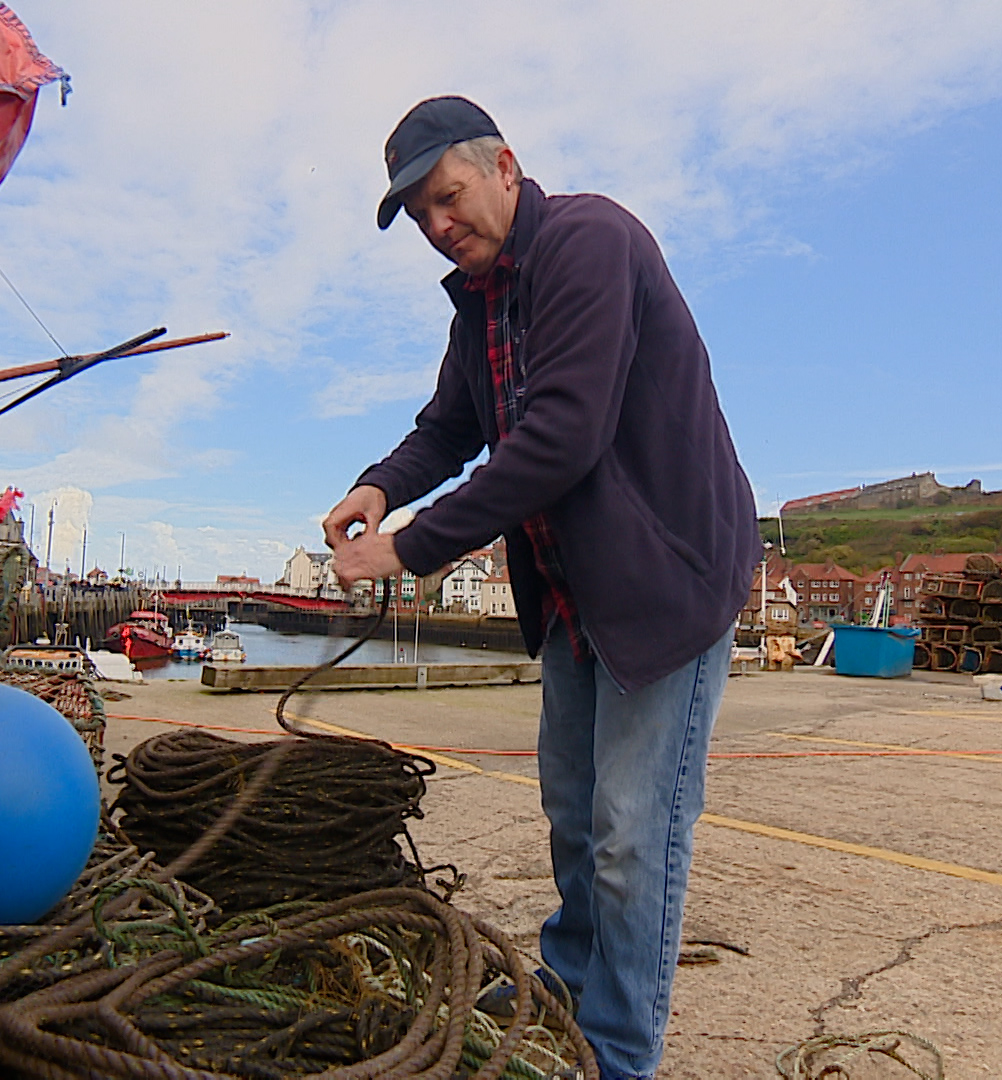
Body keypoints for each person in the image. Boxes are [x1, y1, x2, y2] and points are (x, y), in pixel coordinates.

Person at [324, 96, 757, 1079]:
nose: (440, 224)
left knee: (632, 837)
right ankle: (567, 985)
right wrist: (379, 487)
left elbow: (562, 435)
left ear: (505, 167)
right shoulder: (478, 297)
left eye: (449, 196)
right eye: (422, 215)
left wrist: (410, 545)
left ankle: (616, 1053)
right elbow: (449, 426)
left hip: (669, 580)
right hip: (572, 595)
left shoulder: (592, 242)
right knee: (572, 814)